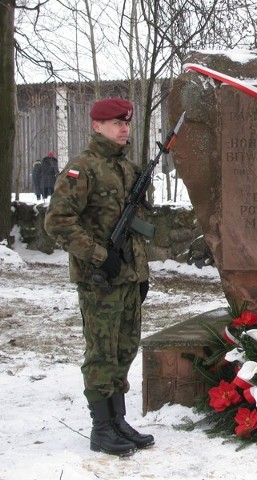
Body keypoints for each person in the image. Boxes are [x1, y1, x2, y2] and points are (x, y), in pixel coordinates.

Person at [44, 98, 154, 456]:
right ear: (96, 126)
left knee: (125, 349)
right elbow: (57, 222)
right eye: (114, 122)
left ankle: (118, 420)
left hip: (128, 277)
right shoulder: (82, 169)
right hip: (99, 280)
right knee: (101, 354)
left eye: (126, 123)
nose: (123, 128)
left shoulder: (128, 168)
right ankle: (101, 428)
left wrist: (141, 273)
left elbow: (135, 229)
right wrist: (97, 256)